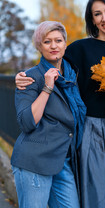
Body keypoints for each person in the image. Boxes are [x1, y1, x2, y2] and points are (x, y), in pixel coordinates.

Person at [15, 0, 105, 208]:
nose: (104, 18)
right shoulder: (80, 48)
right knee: (91, 189)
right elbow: (51, 60)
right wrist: (23, 76)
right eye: (97, 14)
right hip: (87, 127)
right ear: (92, 20)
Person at [11, 21, 86, 208]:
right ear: (39, 46)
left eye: (58, 40)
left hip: (62, 161)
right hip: (34, 162)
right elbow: (27, 122)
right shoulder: (29, 77)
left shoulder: (72, 77)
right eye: (47, 41)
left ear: (65, 44)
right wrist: (47, 88)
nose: (53, 46)